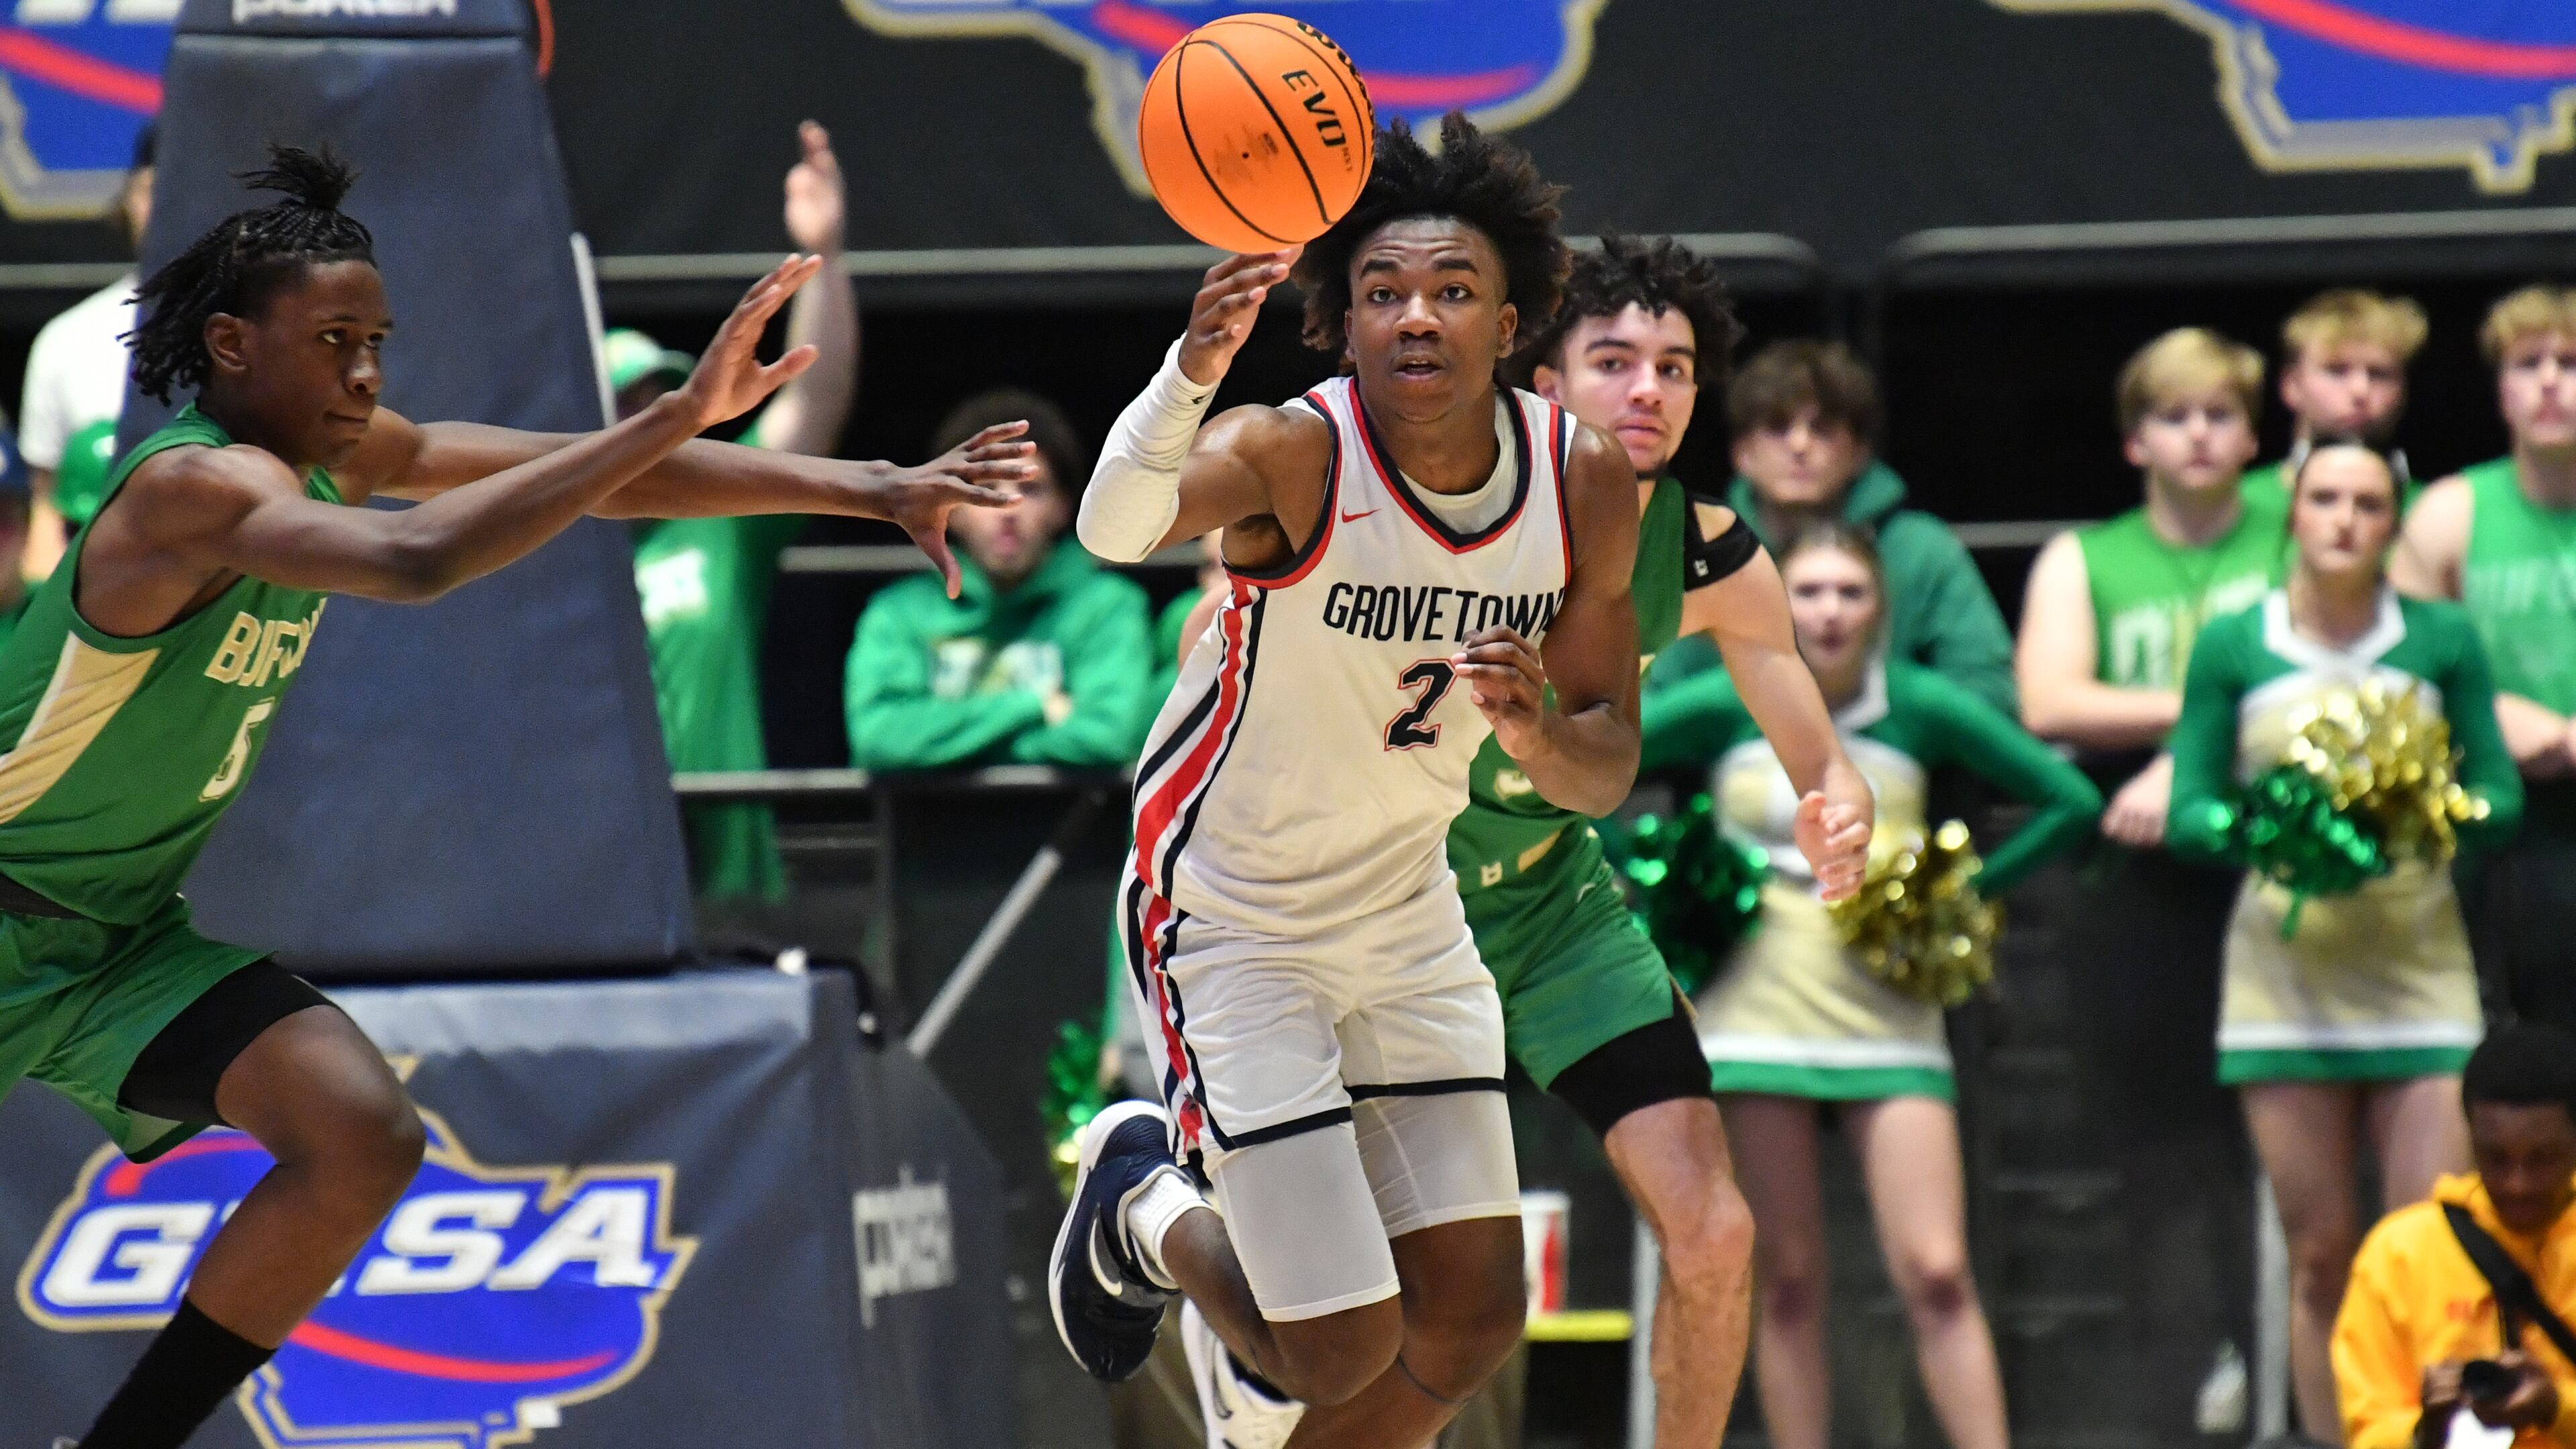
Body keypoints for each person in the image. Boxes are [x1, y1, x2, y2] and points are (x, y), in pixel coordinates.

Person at [0, 148, 1024, 1449]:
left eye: (376, 340)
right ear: (231, 346)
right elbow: (421, 560)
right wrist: (676, 411)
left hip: (115, 933)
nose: (366, 373)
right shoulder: (188, 486)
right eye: (333, 342)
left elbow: (597, 474)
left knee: (361, 1136)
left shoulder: (339, 455)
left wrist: (859, 485)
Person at [1170, 233, 1877, 1449]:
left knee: (1715, 1229)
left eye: (1675, 366)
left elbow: (1813, 731)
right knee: (1388, 1305)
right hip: (1370, 905)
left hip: (1549, 911)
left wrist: (1839, 801)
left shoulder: (1705, 550)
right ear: (1541, 378)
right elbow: (1225, 645)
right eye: (1615, 361)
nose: (1648, 390)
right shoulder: (1397, 488)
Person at [1050, 113, 1646, 1449]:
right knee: (1330, 1346)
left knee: (1478, 1316)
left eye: (1451, 293)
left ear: (1511, 328)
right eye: (1382, 292)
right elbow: (1110, 530)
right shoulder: (1294, 454)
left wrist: (1542, 735)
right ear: (1344, 322)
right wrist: (1190, 369)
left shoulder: (1583, 480)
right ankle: (1142, 1200)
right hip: (1232, 906)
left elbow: (1608, 761)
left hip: (1404, 907)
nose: (1415, 318)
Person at [1647, 520, 2098, 1449]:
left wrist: (1959, 894)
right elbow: (1585, 769)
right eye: (1807, 591)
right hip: (1755, 1006)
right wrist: (1658, 870)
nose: (1829, 611)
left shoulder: (1920, 703)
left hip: (1889, 1008)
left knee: (1937, 1271)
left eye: (1850, 593)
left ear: (1881, 609)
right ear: (1778, 602)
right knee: (1790, 1278)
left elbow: (2071, 802)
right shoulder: (1733, 695)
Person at [2166, 439, 2524, 1446]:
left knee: (2434, 1248)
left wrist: (2428, 811)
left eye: (2369, 503)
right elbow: (2192, 802)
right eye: (2326, 498)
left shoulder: (2444, 639)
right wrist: (2273, 831)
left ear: (2394, 520)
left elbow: (2501, 794)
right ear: (2294, 509)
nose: (2345, 520)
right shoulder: (2235, 642)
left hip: (2419, 972)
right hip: (2286, 980)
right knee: (2320, 1253)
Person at [2017, 325, 2287, 1433]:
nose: (2200, 434)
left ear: (2254, 434)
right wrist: (2218, 715)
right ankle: (2177, 1383)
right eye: (2176, 415)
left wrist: (2186, 756)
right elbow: (2051, 704)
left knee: (2267, 1144)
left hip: (2276, 866)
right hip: (2138, 886)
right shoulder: (2085, 557)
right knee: (2161, 1152)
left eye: (2221, 414)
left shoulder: (2295, 532)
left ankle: (2279, 1378)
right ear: (2136, 440)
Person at [626, 121, 859, 902]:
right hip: (606, 856)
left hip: (726, 869)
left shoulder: (714, 521)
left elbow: (813, 403)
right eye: (622, 406)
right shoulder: (540, 537)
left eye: (660, 404)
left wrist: (823, 255)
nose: (647, 423)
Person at [2391, 286, 2576, 1036]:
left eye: (2571, 361)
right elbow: (2395, 666)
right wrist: (2489, 716)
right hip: (2497, 825)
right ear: (2500, 389)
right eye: (2528, 362)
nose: (2550, 382)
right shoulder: (2449, 511)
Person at [1650, 339, 2015, 714]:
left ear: (1859, 452)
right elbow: (1645, 705)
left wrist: (1891, 723)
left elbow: (1990, 694)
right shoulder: (1696, 557)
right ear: (1742, 453)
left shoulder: (1922, 552)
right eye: (1777, 427)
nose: (1800, 444)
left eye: (1822, 429)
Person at [847, 389, 1153, 770]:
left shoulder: (1108, 605)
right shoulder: (899, 613)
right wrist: (1037, 706)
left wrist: (951, 752)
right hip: (934, 829)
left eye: (1031, 488)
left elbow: (1107, 737)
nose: (1008, 506)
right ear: (948, 510)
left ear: (1065, 507)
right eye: (986, 490)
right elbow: (880, 741)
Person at [2332, 1022, 2576, 1449]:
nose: (2517, 1184)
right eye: (2495, 1158)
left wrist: (2556, 1408)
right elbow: (2367, 1430)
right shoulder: (2399, 1255)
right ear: (2470, 1140)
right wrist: (2426, 1432)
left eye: (2542, 1160)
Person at [19, 121, 155, 582]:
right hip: (91, 601)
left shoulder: (261, 335)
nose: (162, 209)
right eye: (150, 190)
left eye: (178, 190)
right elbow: (44, 509)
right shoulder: (68, 340)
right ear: (127, 201)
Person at [2240, 290, 2428, 516]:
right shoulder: (2236, 507)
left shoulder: (2431, 512)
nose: (2360, 390)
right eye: (2337, 371)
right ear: (2291, 385)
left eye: (2379, 374)